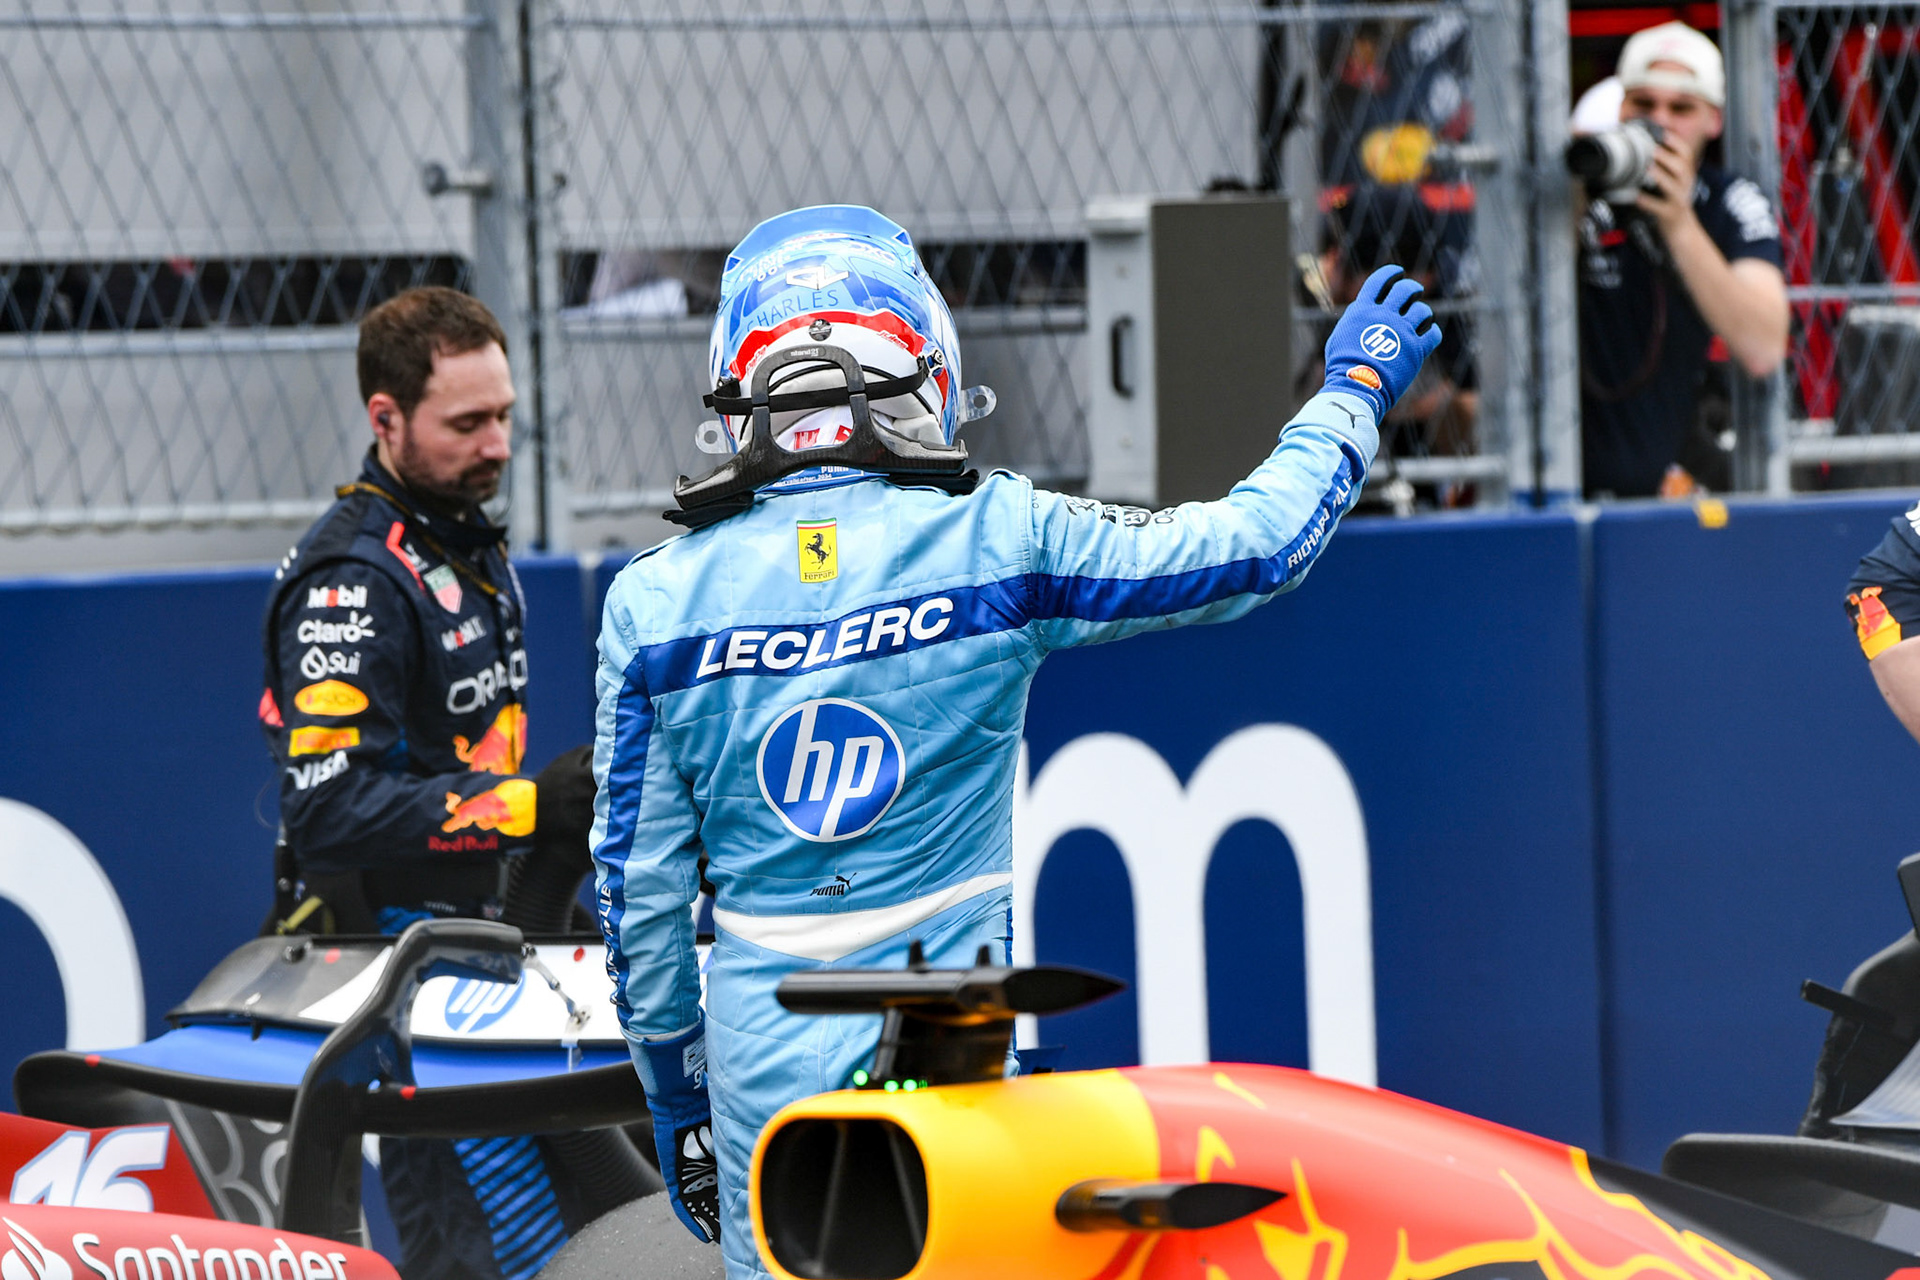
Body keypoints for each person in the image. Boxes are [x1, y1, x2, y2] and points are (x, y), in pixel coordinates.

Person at [590, 204, 1439, 1277]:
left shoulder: (652, 604)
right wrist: (1352, 394)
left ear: (737, 388)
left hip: (762, 1043)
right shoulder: (998, 535)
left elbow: (640, 903)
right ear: (924, 362)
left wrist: (678, 1101)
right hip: (952, 1021)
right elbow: (1256, 549)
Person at [259, 286, 636, 1280]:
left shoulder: (460, 534)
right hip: (401, 974)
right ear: (386, 419)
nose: (499, 444)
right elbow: (328, 812)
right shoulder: (353, 578)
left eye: (505, 415)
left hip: (498, 948)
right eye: (467, 423)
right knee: (493, 1252)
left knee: (611, 1221)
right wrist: (529, 807)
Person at [1577, 21, 1789, 499]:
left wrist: (1678, 223)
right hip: (1569, 474)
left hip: (1668, 480)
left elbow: (1763, 348)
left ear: (1714, 120)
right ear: (1620, 108)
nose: (1660, 122)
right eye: (1643, 104)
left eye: (1681, 108)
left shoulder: (1728, 199)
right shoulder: (1582, 192)